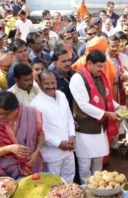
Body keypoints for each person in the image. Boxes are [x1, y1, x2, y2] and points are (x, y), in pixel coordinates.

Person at [69, 50, 120, 184]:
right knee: (85, 163)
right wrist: (107, 114)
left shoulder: (100, 77)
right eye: (99, 66)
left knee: (98, 159)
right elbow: (84, 105)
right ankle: (87, 188)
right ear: (89, 64)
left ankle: (98, 188)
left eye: (103, 66)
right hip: (85, 128)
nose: (102, 69)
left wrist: (118, 107)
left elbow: (106, 98)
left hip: (99, 126)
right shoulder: (78, 79)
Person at [30, 70, 75, 182]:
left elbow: (69, 117)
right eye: (46, 84)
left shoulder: (61, 95)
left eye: (53, 83)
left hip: (69, 148)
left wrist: (72, 135)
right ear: (39, 84)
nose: (50, 86)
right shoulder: (35, 104)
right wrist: (59, 143)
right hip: (52, 155)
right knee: (54, 183)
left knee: (70, 179)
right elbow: (41, 131)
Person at [0, 91, 44, 179]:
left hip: (32, 166)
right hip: (5, 173)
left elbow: (41, 134)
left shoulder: (30, 113)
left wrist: (36, 152)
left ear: (17, 109)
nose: (1, 116)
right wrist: (9, 148)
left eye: (6, 113)